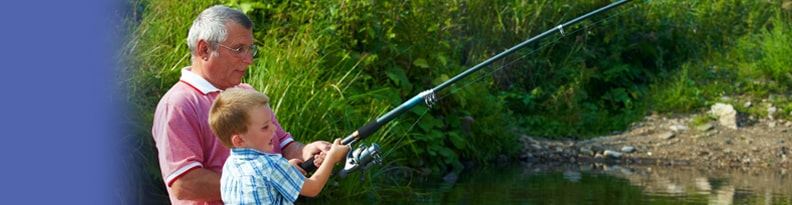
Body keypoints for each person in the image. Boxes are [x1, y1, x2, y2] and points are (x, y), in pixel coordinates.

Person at [151, 5, 330, 205]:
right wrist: (266, 180)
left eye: (250, 49)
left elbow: (282, 143)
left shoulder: (246, 92)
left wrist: (306, 151)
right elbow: (184, 184)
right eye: (238, 49)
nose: (249, 60)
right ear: (204, 49)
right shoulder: (178, 104)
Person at [209, 88, 349, 204]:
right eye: (265, 127)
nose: (274, 129)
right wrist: (331, 157)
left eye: (271, 122)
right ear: (239, 140)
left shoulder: (230, 166)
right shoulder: (271, 165)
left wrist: (287, 169)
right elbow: (313, 188)